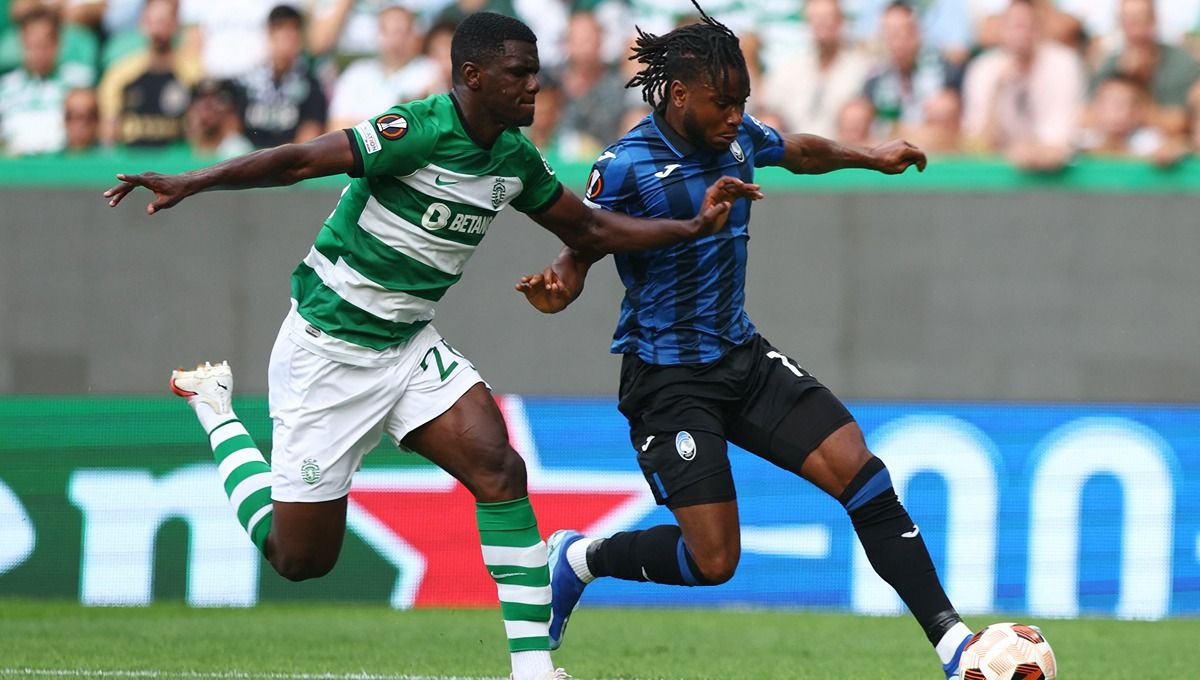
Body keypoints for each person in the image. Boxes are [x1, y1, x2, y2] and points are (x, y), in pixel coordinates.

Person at [104, 12, 759, 680]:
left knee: (499, 468)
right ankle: (214, 407)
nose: (536, 85)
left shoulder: (513, 158)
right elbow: (300, 159)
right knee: (299, 559)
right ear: (472, 76)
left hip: (406, 345)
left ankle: (533, 669)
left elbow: (587, 227)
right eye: (519, 74)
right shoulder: (415, 131)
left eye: (536, 70)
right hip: (329, 349)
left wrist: (688, 227)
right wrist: (193, 180)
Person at [514, 3, 976, 679]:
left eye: (742, 103)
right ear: (678, 94)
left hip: (742, 358)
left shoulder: (735, 137)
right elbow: (580, 251)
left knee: (863, 475)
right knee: (714, 562)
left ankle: (954, 643)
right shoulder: (624, 167)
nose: (735, 117)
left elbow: (800, 149)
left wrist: (872, 156)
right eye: (722, 103)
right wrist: (557, 286)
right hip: (668, 383)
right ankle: (578, 559)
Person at [961, 0, 1086, 171]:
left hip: (1054, 174)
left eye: (1029, 25)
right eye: (1016, 26)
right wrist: (998, 90)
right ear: (1001, 29)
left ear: (1041, 29)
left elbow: (1060, 140)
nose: (1023, 33)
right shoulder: (983, 69)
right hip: (998, 175)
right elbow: (978, 144)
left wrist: (1035, 152)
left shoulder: (1064, 63)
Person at [97, 0, 202, 149]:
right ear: (142, 23)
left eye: (163, 21)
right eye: (152, 21)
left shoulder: (194, 74)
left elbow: (198, 132)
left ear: (176, 25)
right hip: (131, 162)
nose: (157, 30)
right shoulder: (119, 74)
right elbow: (109, 128)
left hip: (178, 164)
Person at [240, 4, 328, 148]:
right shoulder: (247, 82)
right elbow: (232, 129)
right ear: (269, 33)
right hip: (245, 160)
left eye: (295, 30)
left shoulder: (311, 85)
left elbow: (309, 138)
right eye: (282, 29)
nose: (290, 37)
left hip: (287, 163)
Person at [184, 78, 255, 159]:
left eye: (217, 100)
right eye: (201, 100)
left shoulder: (236, 149)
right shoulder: (181, 149)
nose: (206, 108)